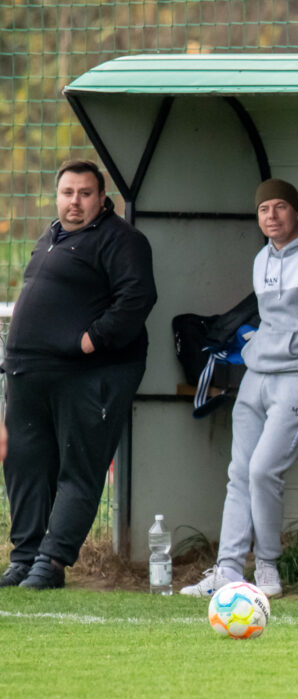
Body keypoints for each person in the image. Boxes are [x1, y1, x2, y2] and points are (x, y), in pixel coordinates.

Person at [181, 179, 298, 598]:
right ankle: (226, 570)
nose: (272, 216)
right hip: (257, 378)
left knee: (263, 471)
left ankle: (266, 566)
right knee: (239, 474)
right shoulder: (262, 258)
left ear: (297, 213)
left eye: (280, 207)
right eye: (264, 210)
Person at [0, 159, 157, 589]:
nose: (75, 202)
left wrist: (93, 339)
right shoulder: (50, 237)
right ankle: (25, 557)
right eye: (67, 193)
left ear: (102, 199)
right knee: (25, 466)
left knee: (78, 468)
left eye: (85, 194)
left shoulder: (121, 240)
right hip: (28, 375)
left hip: (88, 375)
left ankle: (50, 564)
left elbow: (138, 296)